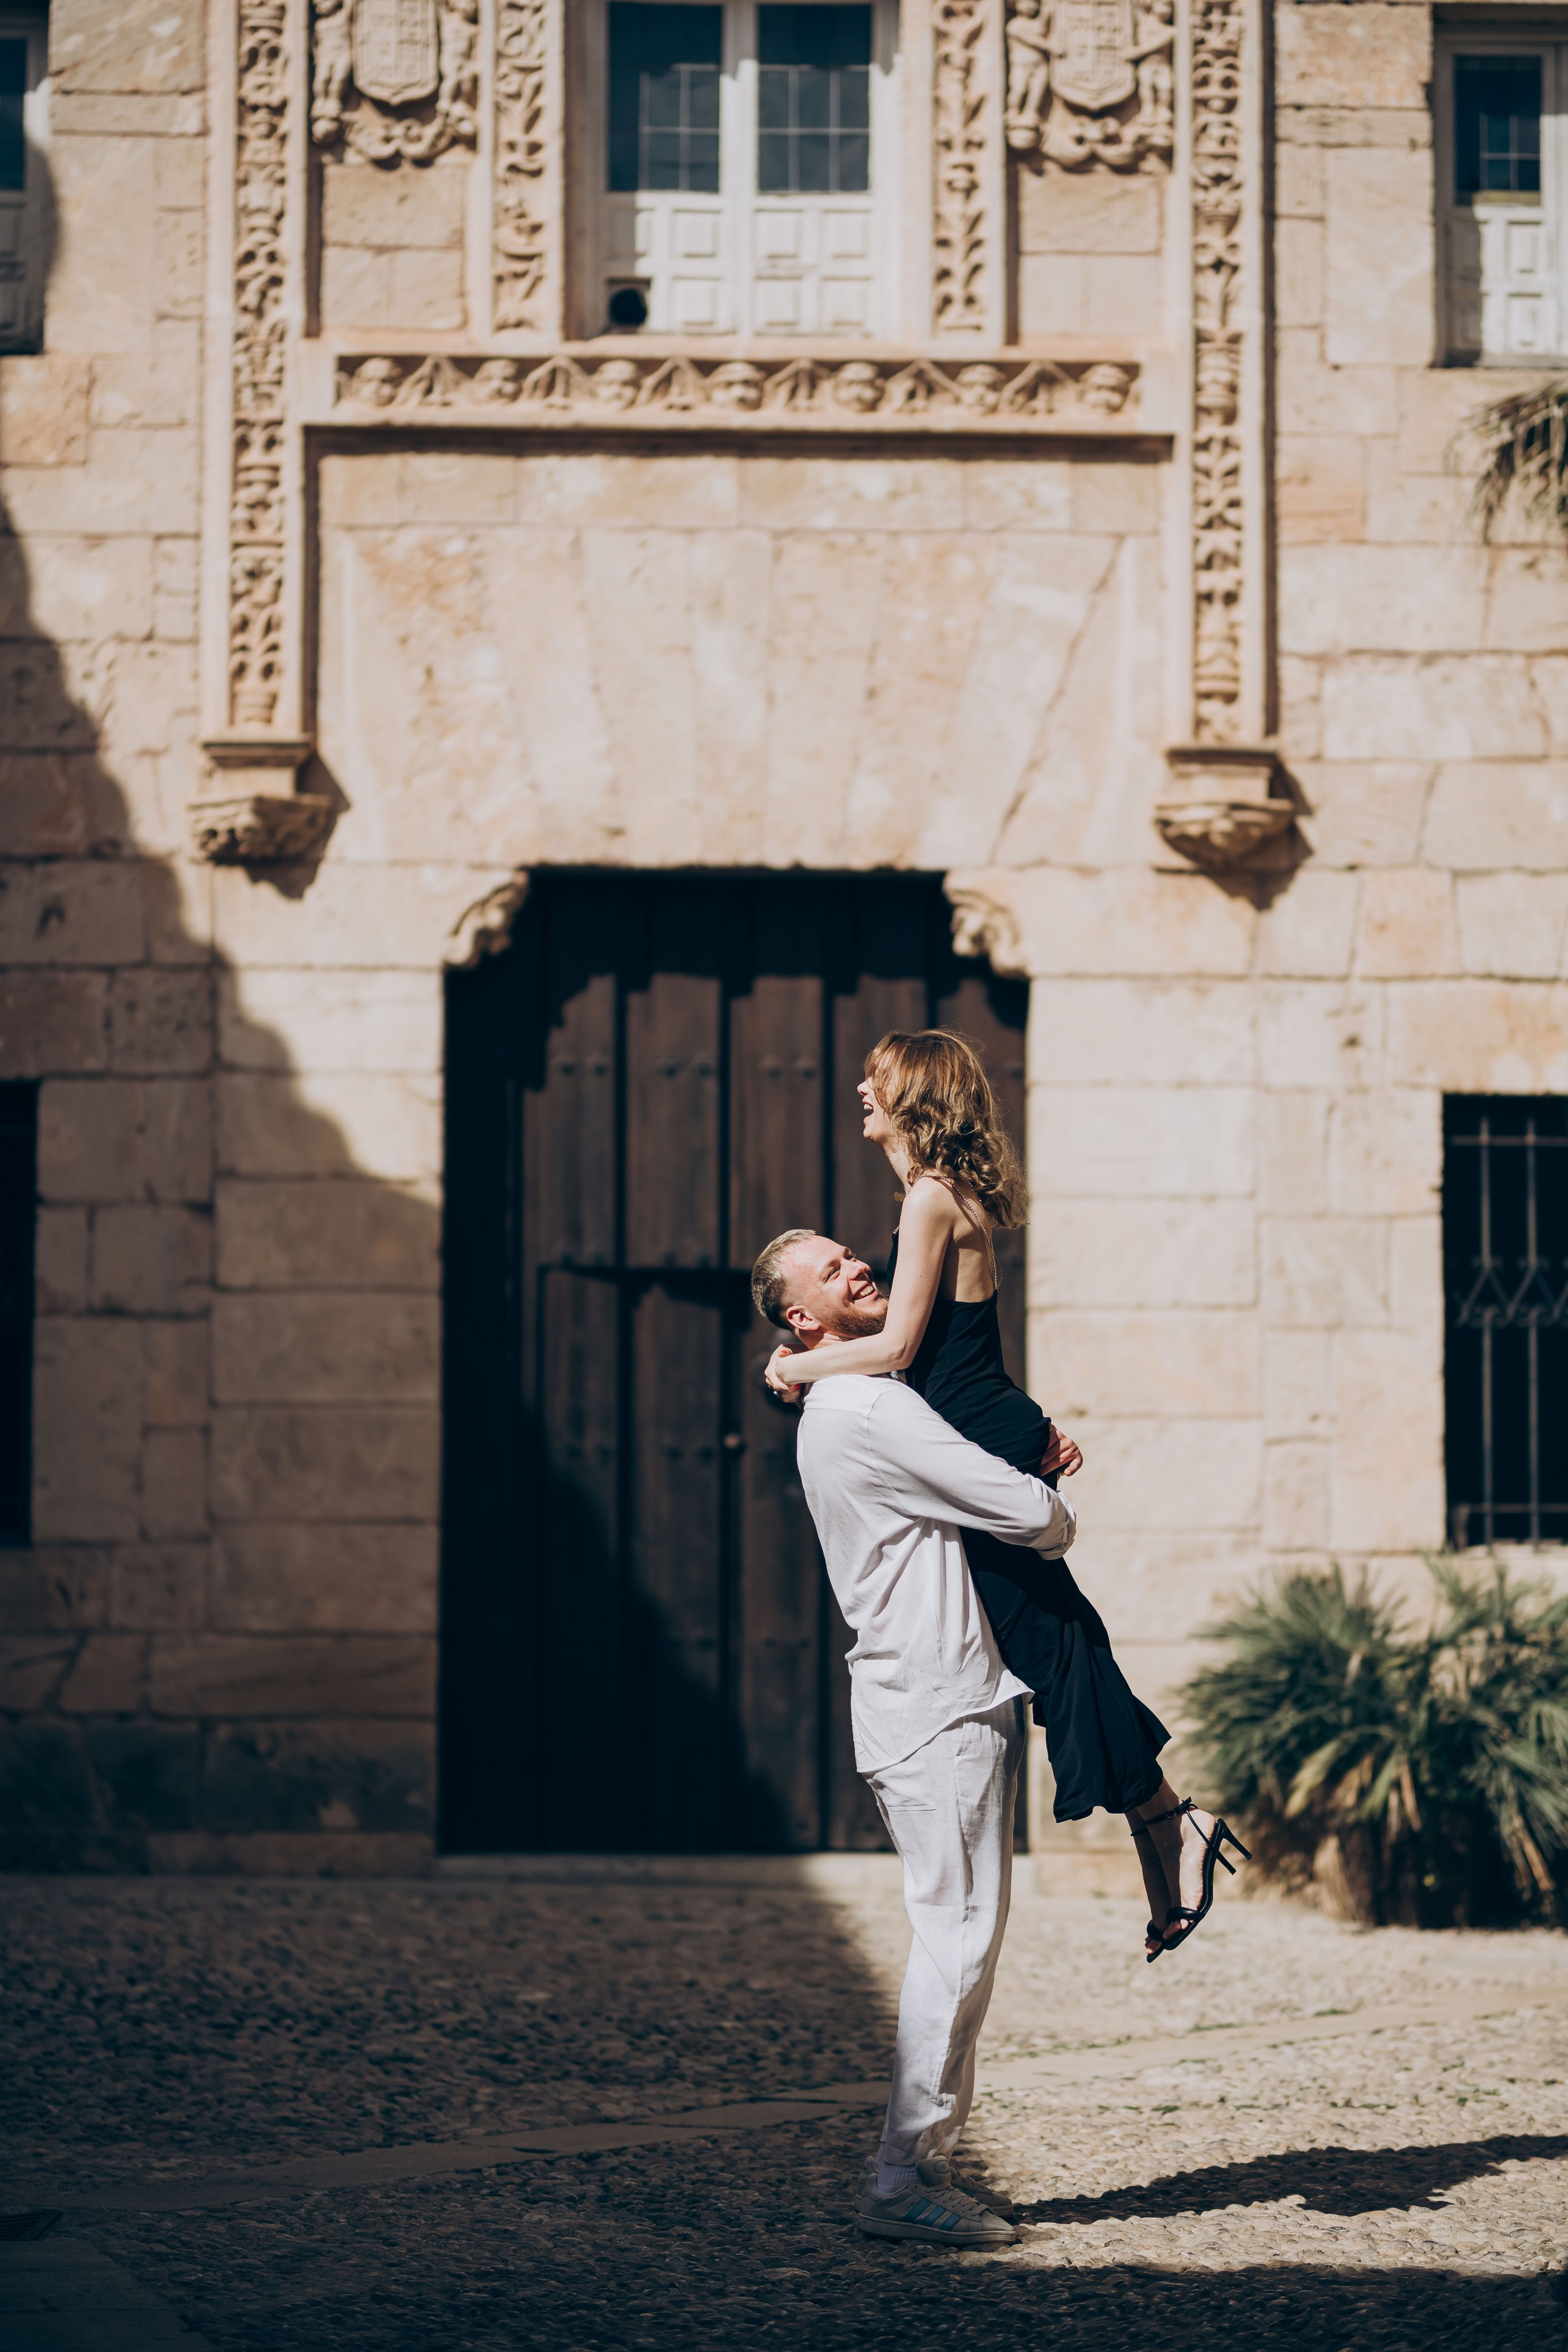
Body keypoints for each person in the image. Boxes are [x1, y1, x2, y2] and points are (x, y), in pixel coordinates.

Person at [763, 1031, 1248, 1962]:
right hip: (988, 1427)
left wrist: (802, 1368)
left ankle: (1173, 1824)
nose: (861, 1088)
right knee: (1056, 1641)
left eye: (878, 1078)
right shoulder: (939, 1199)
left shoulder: (930, 1200)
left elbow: (905, 1350)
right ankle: (1166, 1833)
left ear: (913, 1097)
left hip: (978, 1436)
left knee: (1053, 1648)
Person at [751, 1224, 1076, 2248]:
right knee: (958, 1938)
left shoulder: (844, 1397)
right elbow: (1030, 1516)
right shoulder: (868, 1405)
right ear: (804, 1319)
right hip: (936, 1705)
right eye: (833, 1268)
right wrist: (1043, 1483)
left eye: (854, 1251)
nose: (860, 1264)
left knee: (961, 1935)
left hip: (932, 1699)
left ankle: (923, 2165)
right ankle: (903, 2177)